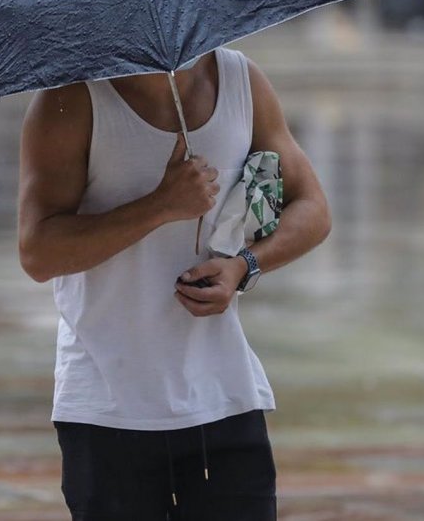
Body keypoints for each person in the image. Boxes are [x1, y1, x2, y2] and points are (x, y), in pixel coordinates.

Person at [17, 47, 332, 520]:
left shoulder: (241, 81)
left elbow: (311, 208)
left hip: (224, 395)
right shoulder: (71, 99)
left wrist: (244, 266)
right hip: (108, 406)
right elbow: (38, 251)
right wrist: (160, 206)